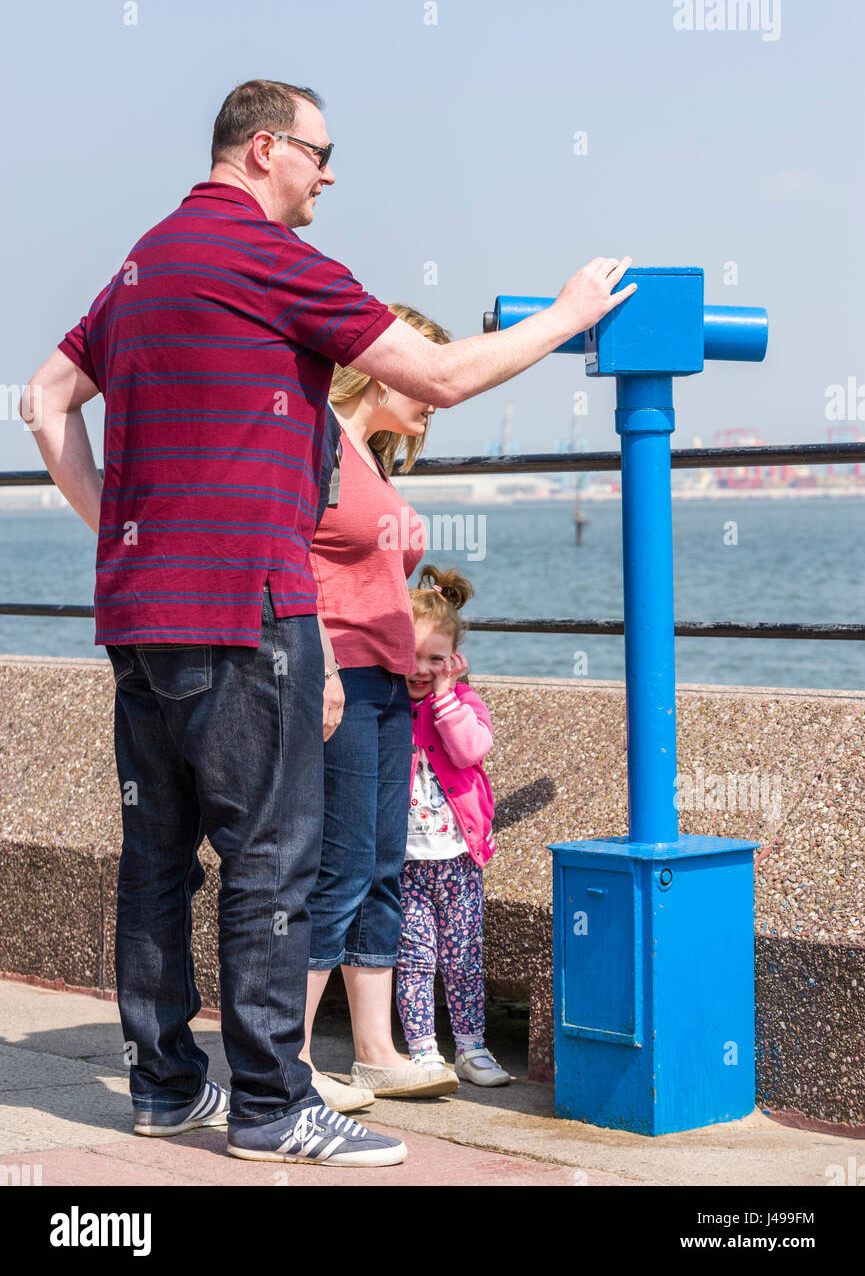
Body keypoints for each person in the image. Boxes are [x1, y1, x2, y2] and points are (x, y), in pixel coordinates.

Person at [20, 77, 636, 1166]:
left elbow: (43, 400)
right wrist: (569, 314)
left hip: (140, 614)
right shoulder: (270, 258)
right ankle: (270, 1105)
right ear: (264, 150)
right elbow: (437, 376)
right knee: (271, 861)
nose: (330, 172)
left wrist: (122, 533)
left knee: (157, 858)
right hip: (245, 613)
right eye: (321, 151)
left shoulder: (143, 258)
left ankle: (166, 1088)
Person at [302, 305, 460, 1110]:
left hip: (389, 683)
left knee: (380, 869)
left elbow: (377, 580)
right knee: (335, 866)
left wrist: (424, 655)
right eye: (420, 368)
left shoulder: (370, 454)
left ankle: (373, 1052)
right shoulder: (317, 433)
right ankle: (287, 1061)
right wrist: (324, 664)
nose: (434, 390)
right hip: (338, 682)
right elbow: (283, 553)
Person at [394, 565, 509, 1087]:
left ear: (454, 661)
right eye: (411, 656)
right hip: (404, 860)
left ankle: (471, 1047)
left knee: (463, 956)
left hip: (459, 858)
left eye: (435, 659)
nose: (422, 668)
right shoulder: (386, 705)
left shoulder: (464, 704)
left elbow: (468, 751)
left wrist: (444, 695)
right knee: (414, 958)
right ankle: (421, 1050)